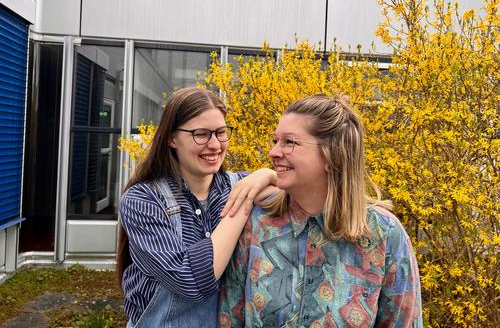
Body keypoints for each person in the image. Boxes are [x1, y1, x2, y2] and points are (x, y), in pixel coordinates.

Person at [219, 94, 423, 327]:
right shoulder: (257, 222)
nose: (273, 152)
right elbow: (230, 317)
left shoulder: (385, 234)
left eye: (289, 142)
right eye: (276, 141)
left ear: (331, 154)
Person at [117, 87, 276, 328]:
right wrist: (241, 205)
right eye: (201, 134)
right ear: (171, 138)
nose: (215, 145)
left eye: (221, 133)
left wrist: (266, 174)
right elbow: (189, 280)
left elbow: (296, 197)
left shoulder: (239, 185)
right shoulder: (142, 201)